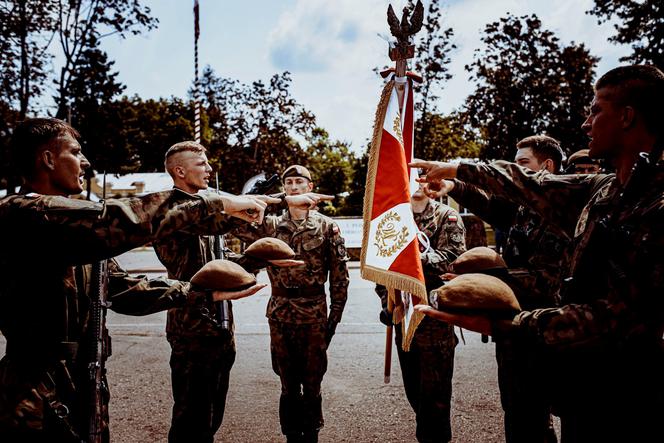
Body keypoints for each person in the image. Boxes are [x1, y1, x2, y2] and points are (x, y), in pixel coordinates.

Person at [412, 65, 664, 442]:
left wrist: (506, 322)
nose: (586, 122)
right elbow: (528, 185)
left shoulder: (656, 205)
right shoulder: (606, 189)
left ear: (627, 116)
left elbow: (618, 317)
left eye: (596, 110)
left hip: (629, 395)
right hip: (582, 379)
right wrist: (458, 172)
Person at [0, 118, 274, 442]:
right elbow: (117, 219)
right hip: (35, 400)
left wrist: (200, 293)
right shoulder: (22, 215)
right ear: (47, 159)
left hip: (83, 389)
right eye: (75, 152)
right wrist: (220, 202)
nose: (85, 162)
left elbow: (124, 289)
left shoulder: (78, 238)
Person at [153, 142, 303, 443]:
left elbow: (221, 263)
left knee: (210, 417)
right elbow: (212, 224)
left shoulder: (205, 211)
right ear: (180, 171)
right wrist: (246, 204)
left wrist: (261, 258)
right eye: (201, 164)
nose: (209, 169)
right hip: (192, 327)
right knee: (190, 419)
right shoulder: (173, 213)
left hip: (220, 325)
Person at [431, 135, 568, 443]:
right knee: (517, 410)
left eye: (522, 164)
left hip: (545, 327)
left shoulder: (560, 212)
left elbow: (549, 278)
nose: (513, 173)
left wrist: (487, 281)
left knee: (536, 413)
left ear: (547, 167)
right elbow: (491, 206)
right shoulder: (524, 206)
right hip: (514, 328)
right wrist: (452, 186)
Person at [231, 164, 349, 443]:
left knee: (312, 382)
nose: (294, 186)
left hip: (314, 313)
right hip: (281, 312)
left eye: (299, 182)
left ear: (310, 187)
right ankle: (292, 436)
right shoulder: (270, 225)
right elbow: (235, 223)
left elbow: (339, 276)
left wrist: (335, 316)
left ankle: (311, 434)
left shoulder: (327, 226)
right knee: (287, 383)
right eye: (289, 183)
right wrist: (269, 198)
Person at [376, 181, 465, 443]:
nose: (415, 182)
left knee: (435, 394)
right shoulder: (392, 218)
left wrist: (413, 258)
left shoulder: (446, 216)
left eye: (421, 177)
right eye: (409, 175)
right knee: (414, 389)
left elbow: (454, 258)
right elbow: (381, 268)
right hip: (404, 314)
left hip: (435, 312)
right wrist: (387, 302)